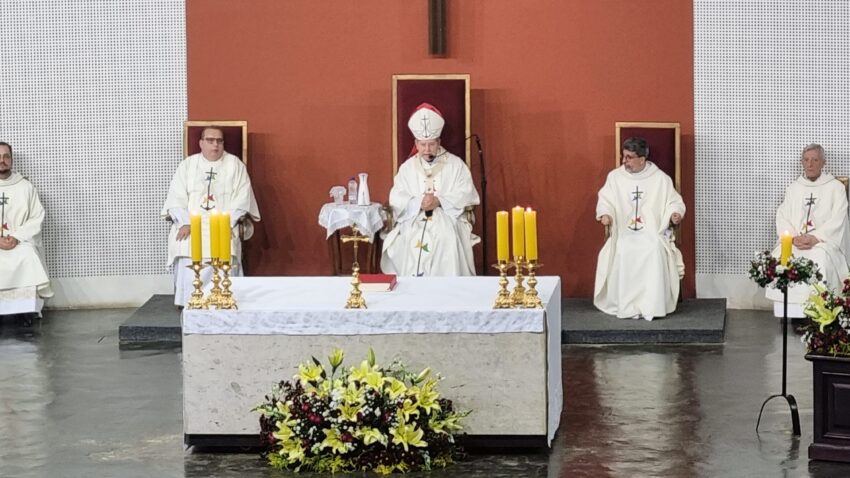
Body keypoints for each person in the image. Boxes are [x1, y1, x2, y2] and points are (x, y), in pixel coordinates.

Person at [161, 126, 260, 307]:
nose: (215, 145)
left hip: (223, 224)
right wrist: (185, 222)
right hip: (192, 224)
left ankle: (224, 296)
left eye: (219, 141)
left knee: (226, 243)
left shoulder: (235, 165)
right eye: (210, 140)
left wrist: (228, 223)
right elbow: (176, 198)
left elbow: (242, 200)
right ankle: (189, 299)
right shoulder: (187, 165)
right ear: (201, 143)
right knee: (184, 243)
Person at [381, 103, 480, 276]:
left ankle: (448, 289)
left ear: (439, 142)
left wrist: (439, 201)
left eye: (431, 144)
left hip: (447, 217)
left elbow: (466, 193)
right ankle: (413, 290)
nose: (427, 150)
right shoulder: (407, 167)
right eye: (423, 145)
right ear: (416, 144)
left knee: (446, 238)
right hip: (414, 217)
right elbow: (396, 196)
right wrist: (417, 203)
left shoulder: (455, 165)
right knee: (409, 238)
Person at [594, 137, 685, 320]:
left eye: (629, 157)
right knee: (623, 248)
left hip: (651, 232)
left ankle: (652, 304)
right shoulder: (615, 177)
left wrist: (675, 213)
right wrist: (605, 214)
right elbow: (605, 200)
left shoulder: (660, 179)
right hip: (624, 232)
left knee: (654, 249)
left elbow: (674, 202)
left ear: (642, 159)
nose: (624, 161)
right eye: (623, 156)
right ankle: (625, 304)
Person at [766, 144, 850, 306]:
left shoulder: (835, 188)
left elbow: (839, 219)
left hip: (823, 243)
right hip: (796, 242)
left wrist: (816, 237)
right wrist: (793, 238)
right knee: (780, 257)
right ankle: (787, 309)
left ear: (823, 162)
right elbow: (782, 215)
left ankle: (819, 310)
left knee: (821, 259)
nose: (810, 164)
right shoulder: (793, 188)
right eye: (806, 160)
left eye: (815, 160)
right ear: (802, 162)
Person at [0, 142, 53, 323]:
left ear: (12, 159)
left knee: (28, 255)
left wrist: (16, 237)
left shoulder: (25, 187)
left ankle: (25, 310)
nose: (2, 160)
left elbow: (37, 217)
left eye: (6, 156)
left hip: (19, 241)